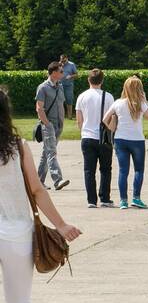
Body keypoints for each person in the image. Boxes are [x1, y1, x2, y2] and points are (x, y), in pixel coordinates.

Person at [0, 88, 82, 303]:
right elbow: (37, 190)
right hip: (17, 233)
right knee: (18, 302)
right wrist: (60, 225)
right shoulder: (17, 147)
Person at [103, 76, 148, 209]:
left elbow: (105, 119)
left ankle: (123, 200)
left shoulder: (118, 103)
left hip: (120, 139)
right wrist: (144, 100)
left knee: (123, 171)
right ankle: (136, 198)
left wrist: (112, 126)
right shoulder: (141, 104)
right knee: (138, 170)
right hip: (137, 140)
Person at [74, 69, 114, 208]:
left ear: (88, 80)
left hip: (87, 136)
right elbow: (112, 119)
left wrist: (83, 130)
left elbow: (79, 120)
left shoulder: (82, 97)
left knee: (89, 170)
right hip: (104, 137)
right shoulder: (108, 97)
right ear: (102, 81)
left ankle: (91, 200)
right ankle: (104, 197)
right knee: (105, 169)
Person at [34, 62, 68, 191]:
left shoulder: (60, 87)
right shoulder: (43, 87)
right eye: (61, 71)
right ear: (53, 72)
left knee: (46, 153)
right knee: (52, 152)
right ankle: (58, 180)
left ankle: (38, 181)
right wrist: (47, 124)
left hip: (59, 124)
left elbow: (61, 105)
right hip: (48, 125)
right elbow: (39, 108)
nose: (63, 74)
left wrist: (62, 122)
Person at [59, 53, 77, 120]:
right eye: (61, 60)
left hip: (69, 85)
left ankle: (70, 116)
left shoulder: (72, 65)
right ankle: (61, 116)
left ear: (67, 58)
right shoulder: (59, 64)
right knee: (60, 100)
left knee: (69, 100)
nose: (62, 61)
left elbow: (76, 74)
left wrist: (70, 76)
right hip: (59, 85)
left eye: (63, 60)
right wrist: (60, 65)